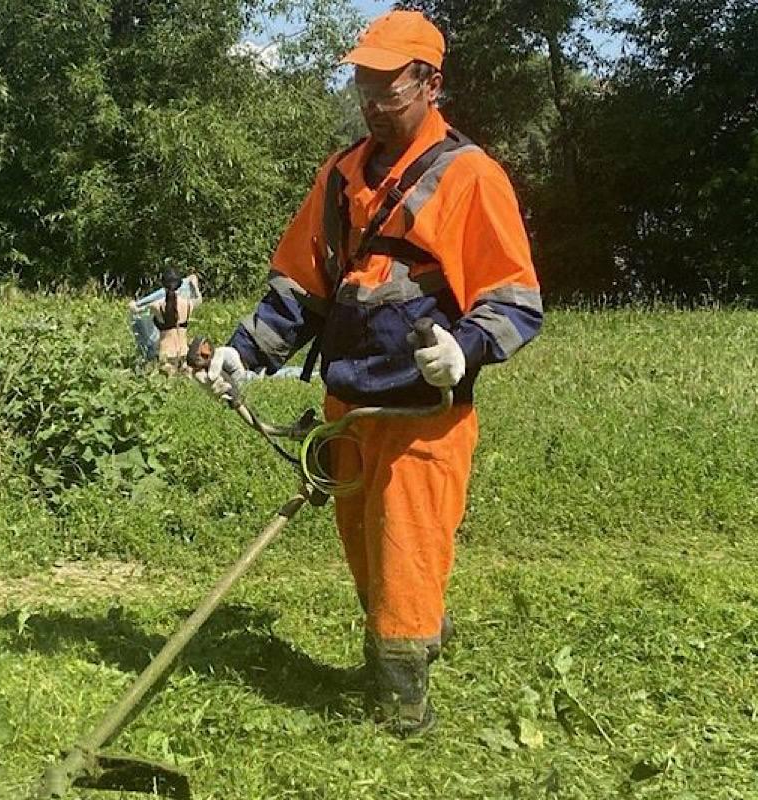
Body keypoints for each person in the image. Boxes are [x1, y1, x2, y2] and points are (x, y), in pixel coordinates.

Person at [196, 10, 543, 736]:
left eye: (388, 87)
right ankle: (402, 653)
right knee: (367, 555)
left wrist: (465, 349)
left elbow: (515, 298)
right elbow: (300, 289)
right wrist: (243, 351)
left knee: (406, 558)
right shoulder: (340, 175)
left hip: (422, 415)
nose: (372, 101)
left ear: (431, 83)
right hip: (346, 404)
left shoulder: (469, 175)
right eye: (363, 84)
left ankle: (402, 714)